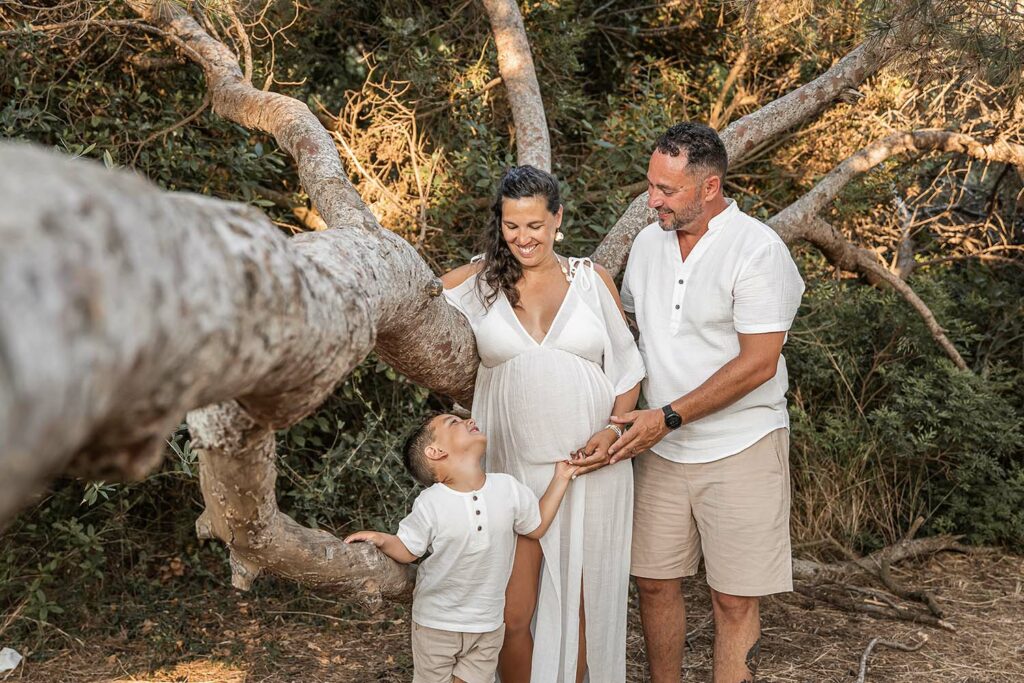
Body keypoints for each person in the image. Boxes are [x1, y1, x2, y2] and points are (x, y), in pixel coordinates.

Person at [606, 122, 805, 682]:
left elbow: (758, 363)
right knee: (652, 583)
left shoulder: (758, 249)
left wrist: (668, 416)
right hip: (661, 449)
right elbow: (633, 335)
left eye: (667, 190)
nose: (653, 200)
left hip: (742, 444)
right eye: (651, 185)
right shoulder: (648, 244)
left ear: (710, 187)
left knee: (734, 599)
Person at [441, 166, 645, 682]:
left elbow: (627, 369)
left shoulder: (590, 280)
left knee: (581, 607)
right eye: (511, 226)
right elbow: (417, 298)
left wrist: (613, 431)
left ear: (558, 219)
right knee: (512, 614)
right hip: (512, 472)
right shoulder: (483, 282)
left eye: (534, 225)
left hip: (590, 467)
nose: (523, 238)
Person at [345, 413, 578, 683]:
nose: (468, 421)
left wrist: (562, 477)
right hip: (436, 623)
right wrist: (381, 539)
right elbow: (408, 549)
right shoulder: (430, 503)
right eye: (453, 422)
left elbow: (536, 526)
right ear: (435, 452)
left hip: (487, 625)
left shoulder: (507, 488)